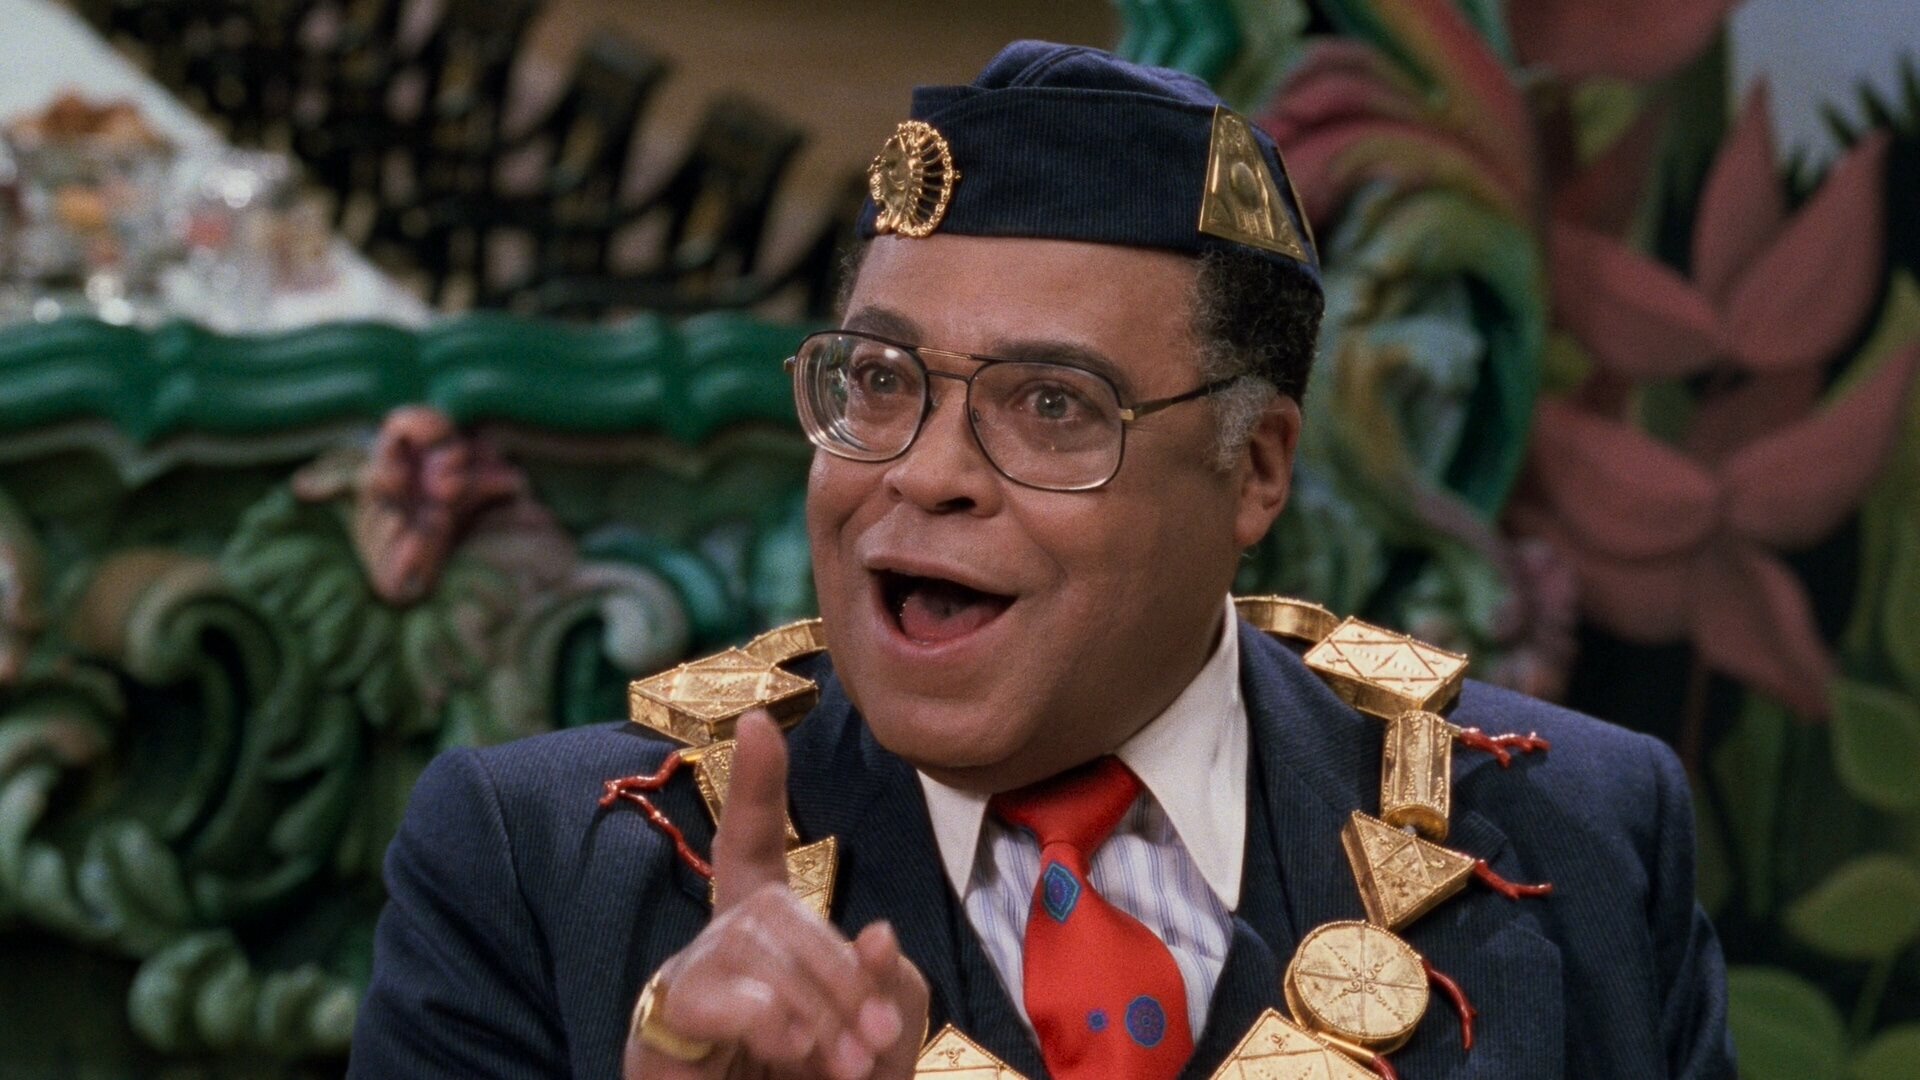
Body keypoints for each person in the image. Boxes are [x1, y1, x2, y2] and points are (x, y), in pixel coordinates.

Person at [348, 41, 1736, 1080]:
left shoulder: (1587, 840)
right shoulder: (538, 869)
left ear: (1256, 470)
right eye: (877, 381)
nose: (925, 472)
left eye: (1052, 405)